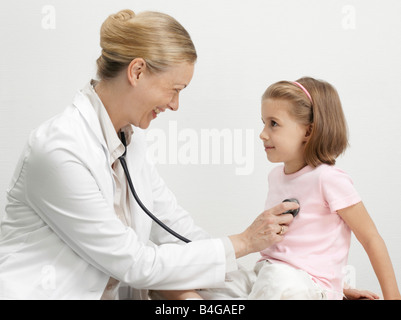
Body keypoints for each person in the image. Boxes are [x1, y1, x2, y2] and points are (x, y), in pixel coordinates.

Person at [0, 9, 297, 300]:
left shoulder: (130, 141)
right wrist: (245, 241)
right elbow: (135, 263)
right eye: (174, 89)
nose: (175, 105)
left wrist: (274, 285)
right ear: (137, 71)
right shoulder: (59, 149)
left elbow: (176, 231)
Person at [249, 77, 400, 299]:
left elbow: (370, 238)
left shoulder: (328, 179)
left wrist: (393, 297)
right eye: (263, 122)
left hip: (301, 283)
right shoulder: (275, 177)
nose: (262, 133)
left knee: (276, 281)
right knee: (219, 277)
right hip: (269, 272)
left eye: (273, 123)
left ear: (308, 132)